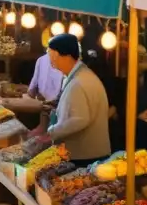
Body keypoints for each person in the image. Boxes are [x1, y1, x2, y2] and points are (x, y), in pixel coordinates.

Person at [46, 33, 111, 166]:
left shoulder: (79, 82)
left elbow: (80, 119)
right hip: (88, 153)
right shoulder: (80, 76)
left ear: (63, 55)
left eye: (52, 55)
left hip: (86, 156)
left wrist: (52, 132)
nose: (51, 60)